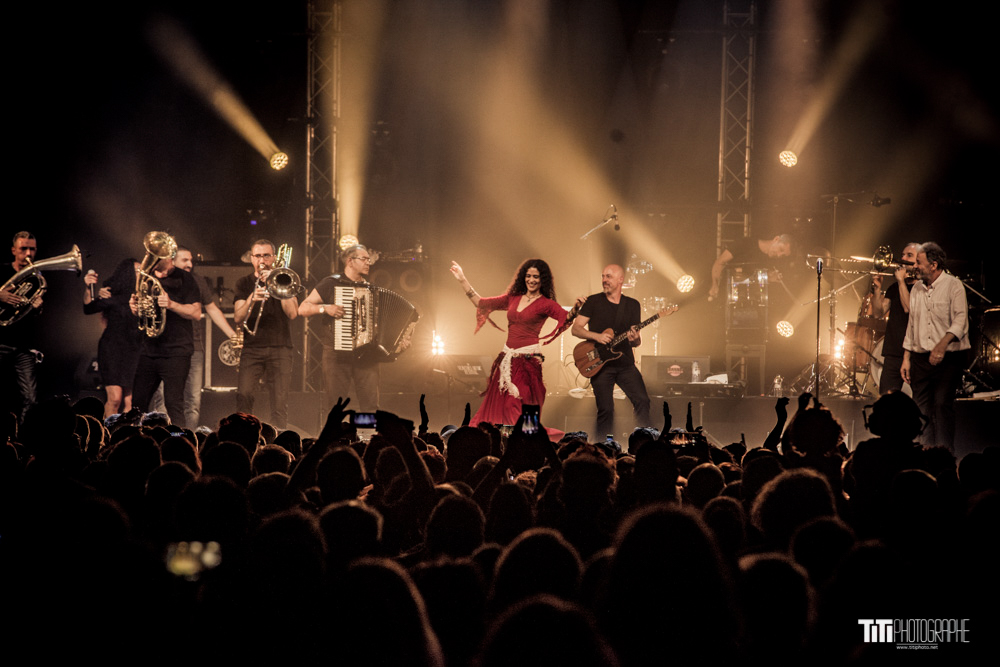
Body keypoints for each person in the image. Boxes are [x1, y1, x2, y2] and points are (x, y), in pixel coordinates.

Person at [450, 258, 580, 428]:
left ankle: (524, 445)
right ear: (523, 277)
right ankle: (497, 445)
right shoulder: (513, 298)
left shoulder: (546, 304)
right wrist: (462, 279)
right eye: (528, 276)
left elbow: (565, 317)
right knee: (496, 413)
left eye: (536, 277)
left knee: (518, 412)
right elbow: (481, 303)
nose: (531, 280)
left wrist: (576, 310)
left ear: (543, 280)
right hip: (506, 363)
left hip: (527, 363)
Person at [901, 242, 970, 450]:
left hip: (949, 358)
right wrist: (906, 358)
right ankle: (926, 454)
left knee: (941, 405)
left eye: (919, 263)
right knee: (921, 409)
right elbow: (912, 325)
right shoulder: (916, 290)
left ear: (933, 264)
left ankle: (945, 456)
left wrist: (941, 345)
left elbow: (960, 321)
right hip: (921, 359)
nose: (915, 266)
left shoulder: (953, 285)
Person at [571, 264, 651, 439]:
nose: (604, 280)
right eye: (603, 276)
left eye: (608, 277)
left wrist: (635, 338)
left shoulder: (632, 305)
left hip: (625, 364)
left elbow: (636, 342)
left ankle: (642, 444)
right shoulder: (593, 301)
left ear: (620, 280)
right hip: (600, 365)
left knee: (643, 401)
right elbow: (576, 329)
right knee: (606, 409)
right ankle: (603, 448)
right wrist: (597, 337)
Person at [298, 244, 379, 411]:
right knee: (336, 403)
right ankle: (337, 436)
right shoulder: (331, 283)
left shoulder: (371, 289)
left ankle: (369, 436)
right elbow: (303, 308)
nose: (368, 263)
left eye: (368, 260)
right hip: (336, 353)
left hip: (366, 354)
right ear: (350, 261)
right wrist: (325, 308)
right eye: (363, 259)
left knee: (370, 403)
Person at [129, 244, 202, 427]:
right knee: (138, 403)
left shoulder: (186, 279)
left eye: (156, 256)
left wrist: (171, 304)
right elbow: (143, 311)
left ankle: (178, 442)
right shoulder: (146, 278)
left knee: (173, 403)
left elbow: (196, 313)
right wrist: (135, 308)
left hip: (176, 351)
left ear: (168, 258)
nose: (150, 260)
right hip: (150, 349)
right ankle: (138, 442)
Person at [233, 240, 298, 429]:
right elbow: (238, 317)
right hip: (252, 347)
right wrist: (251, 298)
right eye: (258, 256)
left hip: (280, 348)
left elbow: (293, 313)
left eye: (266, 255)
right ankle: (243, 434)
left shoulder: (284, 277)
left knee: (279, 400)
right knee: (244, 394)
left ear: (274, 258)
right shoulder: (244, 283)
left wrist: (278, 283)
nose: (262, 260)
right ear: (251, 258)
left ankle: (279, 441)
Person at [174, 246, 237, 428]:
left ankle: (190, 439)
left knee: (193, 400)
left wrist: (232, 335)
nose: (189, 264)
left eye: (191, 260)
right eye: (184, 260)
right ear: (172, 261)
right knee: (165, 398)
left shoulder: (197, 280)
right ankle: (167, 438)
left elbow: (212, 309)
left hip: (194, 347)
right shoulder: (163, 280)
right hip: (169, 348)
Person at [83, 258, 144, 418]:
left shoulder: (144, 297)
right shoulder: (111, 293)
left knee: (130, 402)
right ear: (127, 273)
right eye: (137, 270)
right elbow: (89, 308)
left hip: (134, 349)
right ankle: (108, 434)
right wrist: (89, 289)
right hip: (112, 350)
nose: (141, 273)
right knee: (115, 398)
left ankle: (127, 436)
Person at [0, 232, 43, 418]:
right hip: (1, 342)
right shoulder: (1, 271)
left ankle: (23, 440)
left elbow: (33, 314)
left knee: (30, 399)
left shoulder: (37, 277)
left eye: (32, 249)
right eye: (23, 248)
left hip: (23, 346)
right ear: (13, 250)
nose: (28, 253)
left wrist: (37, 308)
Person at [870, 242, 919, 394]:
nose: (902, 258)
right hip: (892, 352)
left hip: (915, 354)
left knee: (919, 400)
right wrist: (877, 290)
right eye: (903, 255)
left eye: (909, 255)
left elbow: (910, 309)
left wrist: (901, 281)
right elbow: (878, 313)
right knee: (886, 398)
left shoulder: (923, 287)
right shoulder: (894, 288)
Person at [708, 234, 792, 301]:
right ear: (776, 239)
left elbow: (755, 280)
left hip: (748, 306)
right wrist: (715, 283)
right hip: (725, 295)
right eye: (781, 249)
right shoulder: (745, 243)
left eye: (783, 255)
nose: (779, 255)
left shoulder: (771, 263)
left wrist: (769, 278)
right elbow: (720, 262)